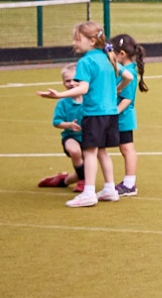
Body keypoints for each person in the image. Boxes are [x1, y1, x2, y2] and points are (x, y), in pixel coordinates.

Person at [37, 21, 123, 207]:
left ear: (92, 41)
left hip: (94, 113)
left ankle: (89, 192)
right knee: (102, 152)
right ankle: (110, 189)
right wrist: (114, 92)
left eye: (77, 39)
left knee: (89, 152)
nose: (74, 43)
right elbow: (128, 77)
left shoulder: (85, 61)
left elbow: (83, 88)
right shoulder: (107, 56)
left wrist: (59, 95)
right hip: (111, 113)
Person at [107, 34, 147, 197]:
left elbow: (127, 99)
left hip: (123, 117)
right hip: (120, 116)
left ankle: (129, 184)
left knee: (127, 148)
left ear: (121, 54)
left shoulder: (129, 72)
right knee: (124, 148)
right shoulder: (123, 70)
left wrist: (113, 113)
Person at [37, 65, 84, 190]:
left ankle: (62, 180)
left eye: (76, 80)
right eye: (68, 81)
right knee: (75, 151)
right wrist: (68, 125)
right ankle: (83, 181)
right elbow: (57, 122)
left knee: (88, 166)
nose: (72, 83)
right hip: (71, 136)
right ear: (63, 82)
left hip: (89, 137)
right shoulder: (63, 102)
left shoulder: (89, 99)